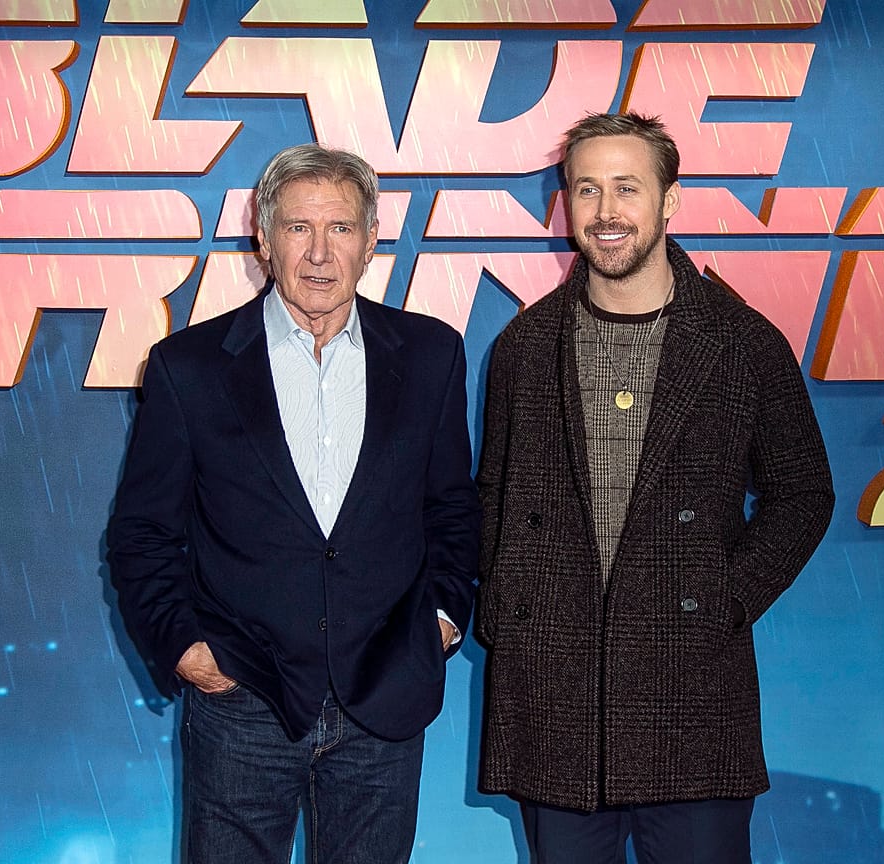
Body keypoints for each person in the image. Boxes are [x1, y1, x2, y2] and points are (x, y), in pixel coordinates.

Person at [475, 112, 835, 863]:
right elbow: (494, 501)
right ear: (565, 205)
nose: (606, 212)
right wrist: (507, 612)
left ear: (670, 201)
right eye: (586, 190)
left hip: (692, 696)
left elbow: (803, 493)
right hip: (555, 698)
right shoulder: (524, 348)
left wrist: (726, 601)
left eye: (627, 189)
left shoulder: (743, 344)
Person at [106, 143, 478, 864]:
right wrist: (186, 647)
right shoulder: (188, 368)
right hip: (243, 699)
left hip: (384, 694)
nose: (318, 252)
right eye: (297, 228)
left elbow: (452, 511)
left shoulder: (432, 354)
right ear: (263, 240)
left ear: (370, 241)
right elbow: (141, 534)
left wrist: (439, 620)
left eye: (339, 228)